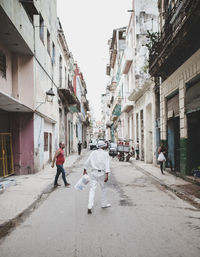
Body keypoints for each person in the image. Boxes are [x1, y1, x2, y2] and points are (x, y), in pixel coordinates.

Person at [83, 140, 111, 214]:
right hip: (101, 173)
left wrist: (85, 170)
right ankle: (104, 204)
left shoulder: (93, 153)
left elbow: (87, 162)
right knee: (103, 189)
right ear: (103, 146)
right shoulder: (105, 154)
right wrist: (107, 175)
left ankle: (89, 206)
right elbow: (107, 165)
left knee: (92, 190)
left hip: (93, 173)